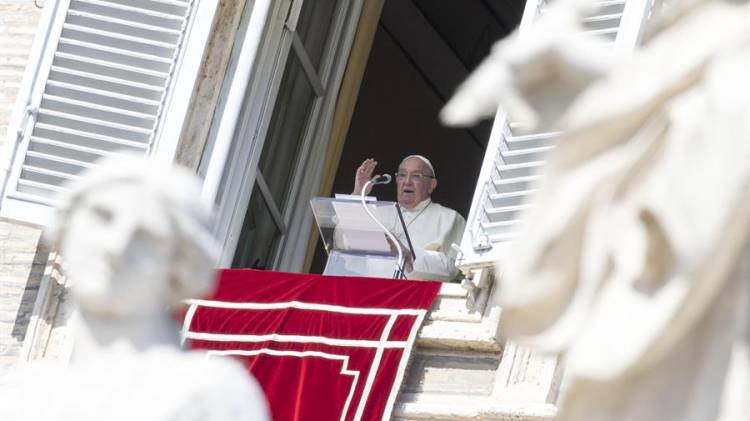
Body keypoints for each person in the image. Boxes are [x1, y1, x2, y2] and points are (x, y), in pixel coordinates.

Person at [0, 155, 269, 421]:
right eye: (102, 216)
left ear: (179, 267)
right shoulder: (20, 397)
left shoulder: (211, 397)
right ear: (66, 229)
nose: (116, 247)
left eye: (146, 236)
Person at [352, 155, 466, 282]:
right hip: (369, 290)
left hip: (417, 297)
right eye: (402, 175)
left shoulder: (450, 218)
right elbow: (342, 242)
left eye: (416, 176)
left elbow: (453, 268)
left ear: (432, 185)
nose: (407, 181)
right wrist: (358, 193)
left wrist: (408, 255)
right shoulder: (377, 212)